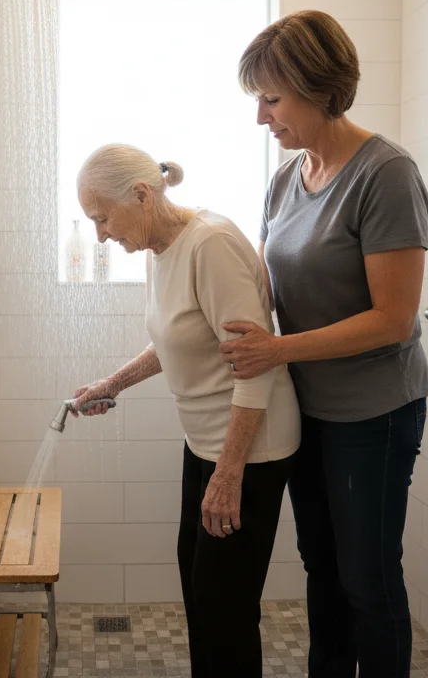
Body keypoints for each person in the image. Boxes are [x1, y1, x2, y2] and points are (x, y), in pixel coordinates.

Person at [218, 10, 428, 678]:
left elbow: (393, 319)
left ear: (320, 88)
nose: (262, 117)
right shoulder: (287, 179)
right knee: (321, 567)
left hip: (373, 412)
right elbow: (258, 289)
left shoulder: (385, 173)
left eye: (272, 99)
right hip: (306, 408)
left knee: (367, 580)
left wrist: (278, 352)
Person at [68, 144, 300, 677]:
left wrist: (230, 471)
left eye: (103, 218)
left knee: (224, 606)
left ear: (143, 195)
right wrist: (113, 384)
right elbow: (174, 343)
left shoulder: (210, 244)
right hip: (205, 443)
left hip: (249, 450)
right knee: (200, 592)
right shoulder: (159, 249)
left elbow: (255, 362)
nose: (101, 234)